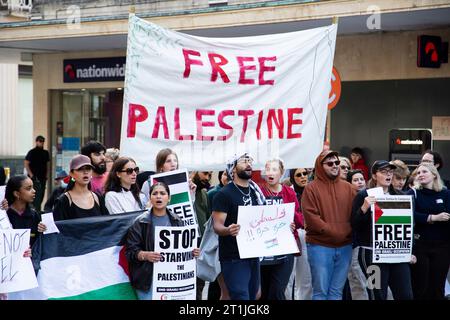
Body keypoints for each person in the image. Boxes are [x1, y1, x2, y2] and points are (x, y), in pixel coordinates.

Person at [124, 182, 200, 300]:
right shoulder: (140, 222)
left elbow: (182, 249)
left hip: (172, 282)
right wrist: (145, 255)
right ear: (150, 198)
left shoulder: (177, 220)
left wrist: (192, 252)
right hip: (148, 281)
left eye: (162, 193)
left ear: (169, 198)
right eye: (155, 193)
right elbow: (130, 252)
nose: (158, 196)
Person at [352, 160, 413, 300]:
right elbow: (355, 225)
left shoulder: (401, 196)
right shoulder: (363, 195)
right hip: (372, 254)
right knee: (377, 294)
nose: (388, 175)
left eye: (390, 172)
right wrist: (364, 208)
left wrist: (411, 251)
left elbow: (408, 226)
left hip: (397, 254)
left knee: (405, 294)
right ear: (374, 175)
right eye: (384, 172)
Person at [301, 150, 356, 300]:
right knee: (320, 293)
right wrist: (336, 231)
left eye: (337, 162)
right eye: (330, 163)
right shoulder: (311, 188)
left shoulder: (349, 188)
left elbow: (356, 216)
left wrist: (346, 232)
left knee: (336, 293)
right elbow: (311, 217)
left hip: (345, 246)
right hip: (320, 246)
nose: (335, 166)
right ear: (320, 166)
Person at [212, 153, 265, 300]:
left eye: (250, 161)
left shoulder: (256, 193)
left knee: (254, 295)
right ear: (233, 169)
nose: (248, 164)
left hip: (253, 254)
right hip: (233, 257)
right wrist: (228, 230)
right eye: (243, 161)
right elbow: (216, 225)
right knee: (240, 296)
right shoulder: (224, 194)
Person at [258, 158, 301, 300]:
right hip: (263, 249)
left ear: (281, 173)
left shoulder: (289, 192)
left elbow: (300, 219)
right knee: (263, 290)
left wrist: (290, 219)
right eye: (268, 169)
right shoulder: (259, 191)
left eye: (274, 169)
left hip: (285, 247)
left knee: (277, 290)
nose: (270, 173)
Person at [408, 163, 450, 300]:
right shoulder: (413, 193)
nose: (420, 174)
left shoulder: (445, 193)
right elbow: (410, 214)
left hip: (442, 246)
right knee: (421, 285)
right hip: (420, 245)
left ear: (434, 174)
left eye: (424, 171)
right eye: (418, 173)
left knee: (438, 285)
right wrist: (432, 218)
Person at [53, 154, 109, 220]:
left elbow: (107, 224)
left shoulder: (98, 198)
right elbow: (57, 226)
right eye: (80, 169)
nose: (85, 172)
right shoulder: (63, 201)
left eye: (88, 169)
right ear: (71, 173)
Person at [285, 167, 312, 300]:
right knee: (288, 278)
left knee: (306, 276)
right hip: (291, 234)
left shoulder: (312, 191)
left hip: (307, 235)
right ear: (292, 178)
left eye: (305, 173)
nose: (303, 177)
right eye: (298, 175)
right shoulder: (288, 192)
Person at [5, 175, 47, 247]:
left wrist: (43, 230)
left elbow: (39, 243)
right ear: (16, 193)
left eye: (33, 187)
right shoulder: (5, 215)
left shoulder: (34, 215)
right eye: (28, 188)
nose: (34, 191)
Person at [24, 135, 50, 212]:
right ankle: (36, 212)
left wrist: (47, 175)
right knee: (36, 197)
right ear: (36, 142)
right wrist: (31, 175)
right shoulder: (32, 152)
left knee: (41, 195)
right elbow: (26, 163)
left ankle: (36, 211)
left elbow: (47, 164)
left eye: (42, 141)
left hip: (42, 178)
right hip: (34, 178)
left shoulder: (45, 153)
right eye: (39, 141)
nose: (41, 143)